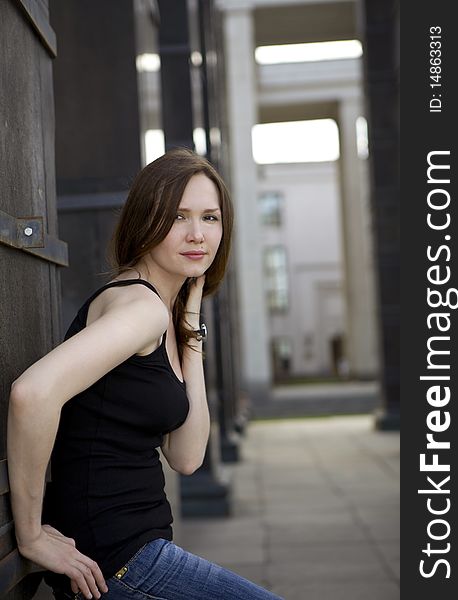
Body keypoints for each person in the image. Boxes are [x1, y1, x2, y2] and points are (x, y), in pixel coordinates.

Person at [7, 148, 283, 600]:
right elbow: (32, 394)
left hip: (137, 553)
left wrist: (191, 332)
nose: (197, 235)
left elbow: (187, 456)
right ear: (146, 221)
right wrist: (32, 535)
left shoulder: (163, 315)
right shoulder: (141, 309)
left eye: (210, 218)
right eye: (179, 217)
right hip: (119, 561)